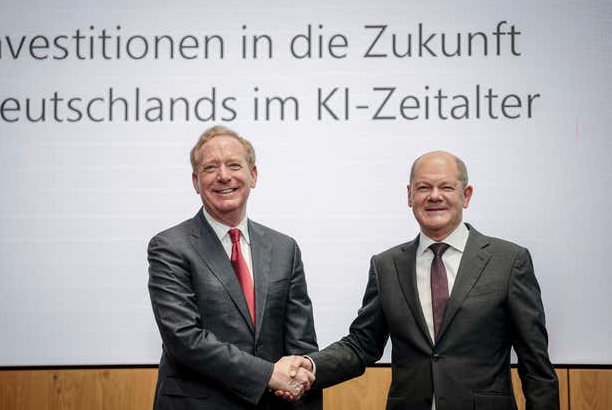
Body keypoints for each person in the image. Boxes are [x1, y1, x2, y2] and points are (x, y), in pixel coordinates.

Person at [280, 150, 559, 410]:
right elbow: (362, 344)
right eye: (424, 187)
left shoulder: (508, 261)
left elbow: (535, 362)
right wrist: (309, 365)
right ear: (409, 195)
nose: (434, 196)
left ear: (467, 195)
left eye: (446, 187)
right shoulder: (386, 265)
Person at [148, 125, 321, 410]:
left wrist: (298, 378)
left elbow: (301, 342)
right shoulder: (169, 246)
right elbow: (184, 339)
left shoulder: (284, 248)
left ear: (253, 175)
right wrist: (268, 375)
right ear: (195, 181)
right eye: (210, 167)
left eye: (234, 165)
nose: (223, 175)